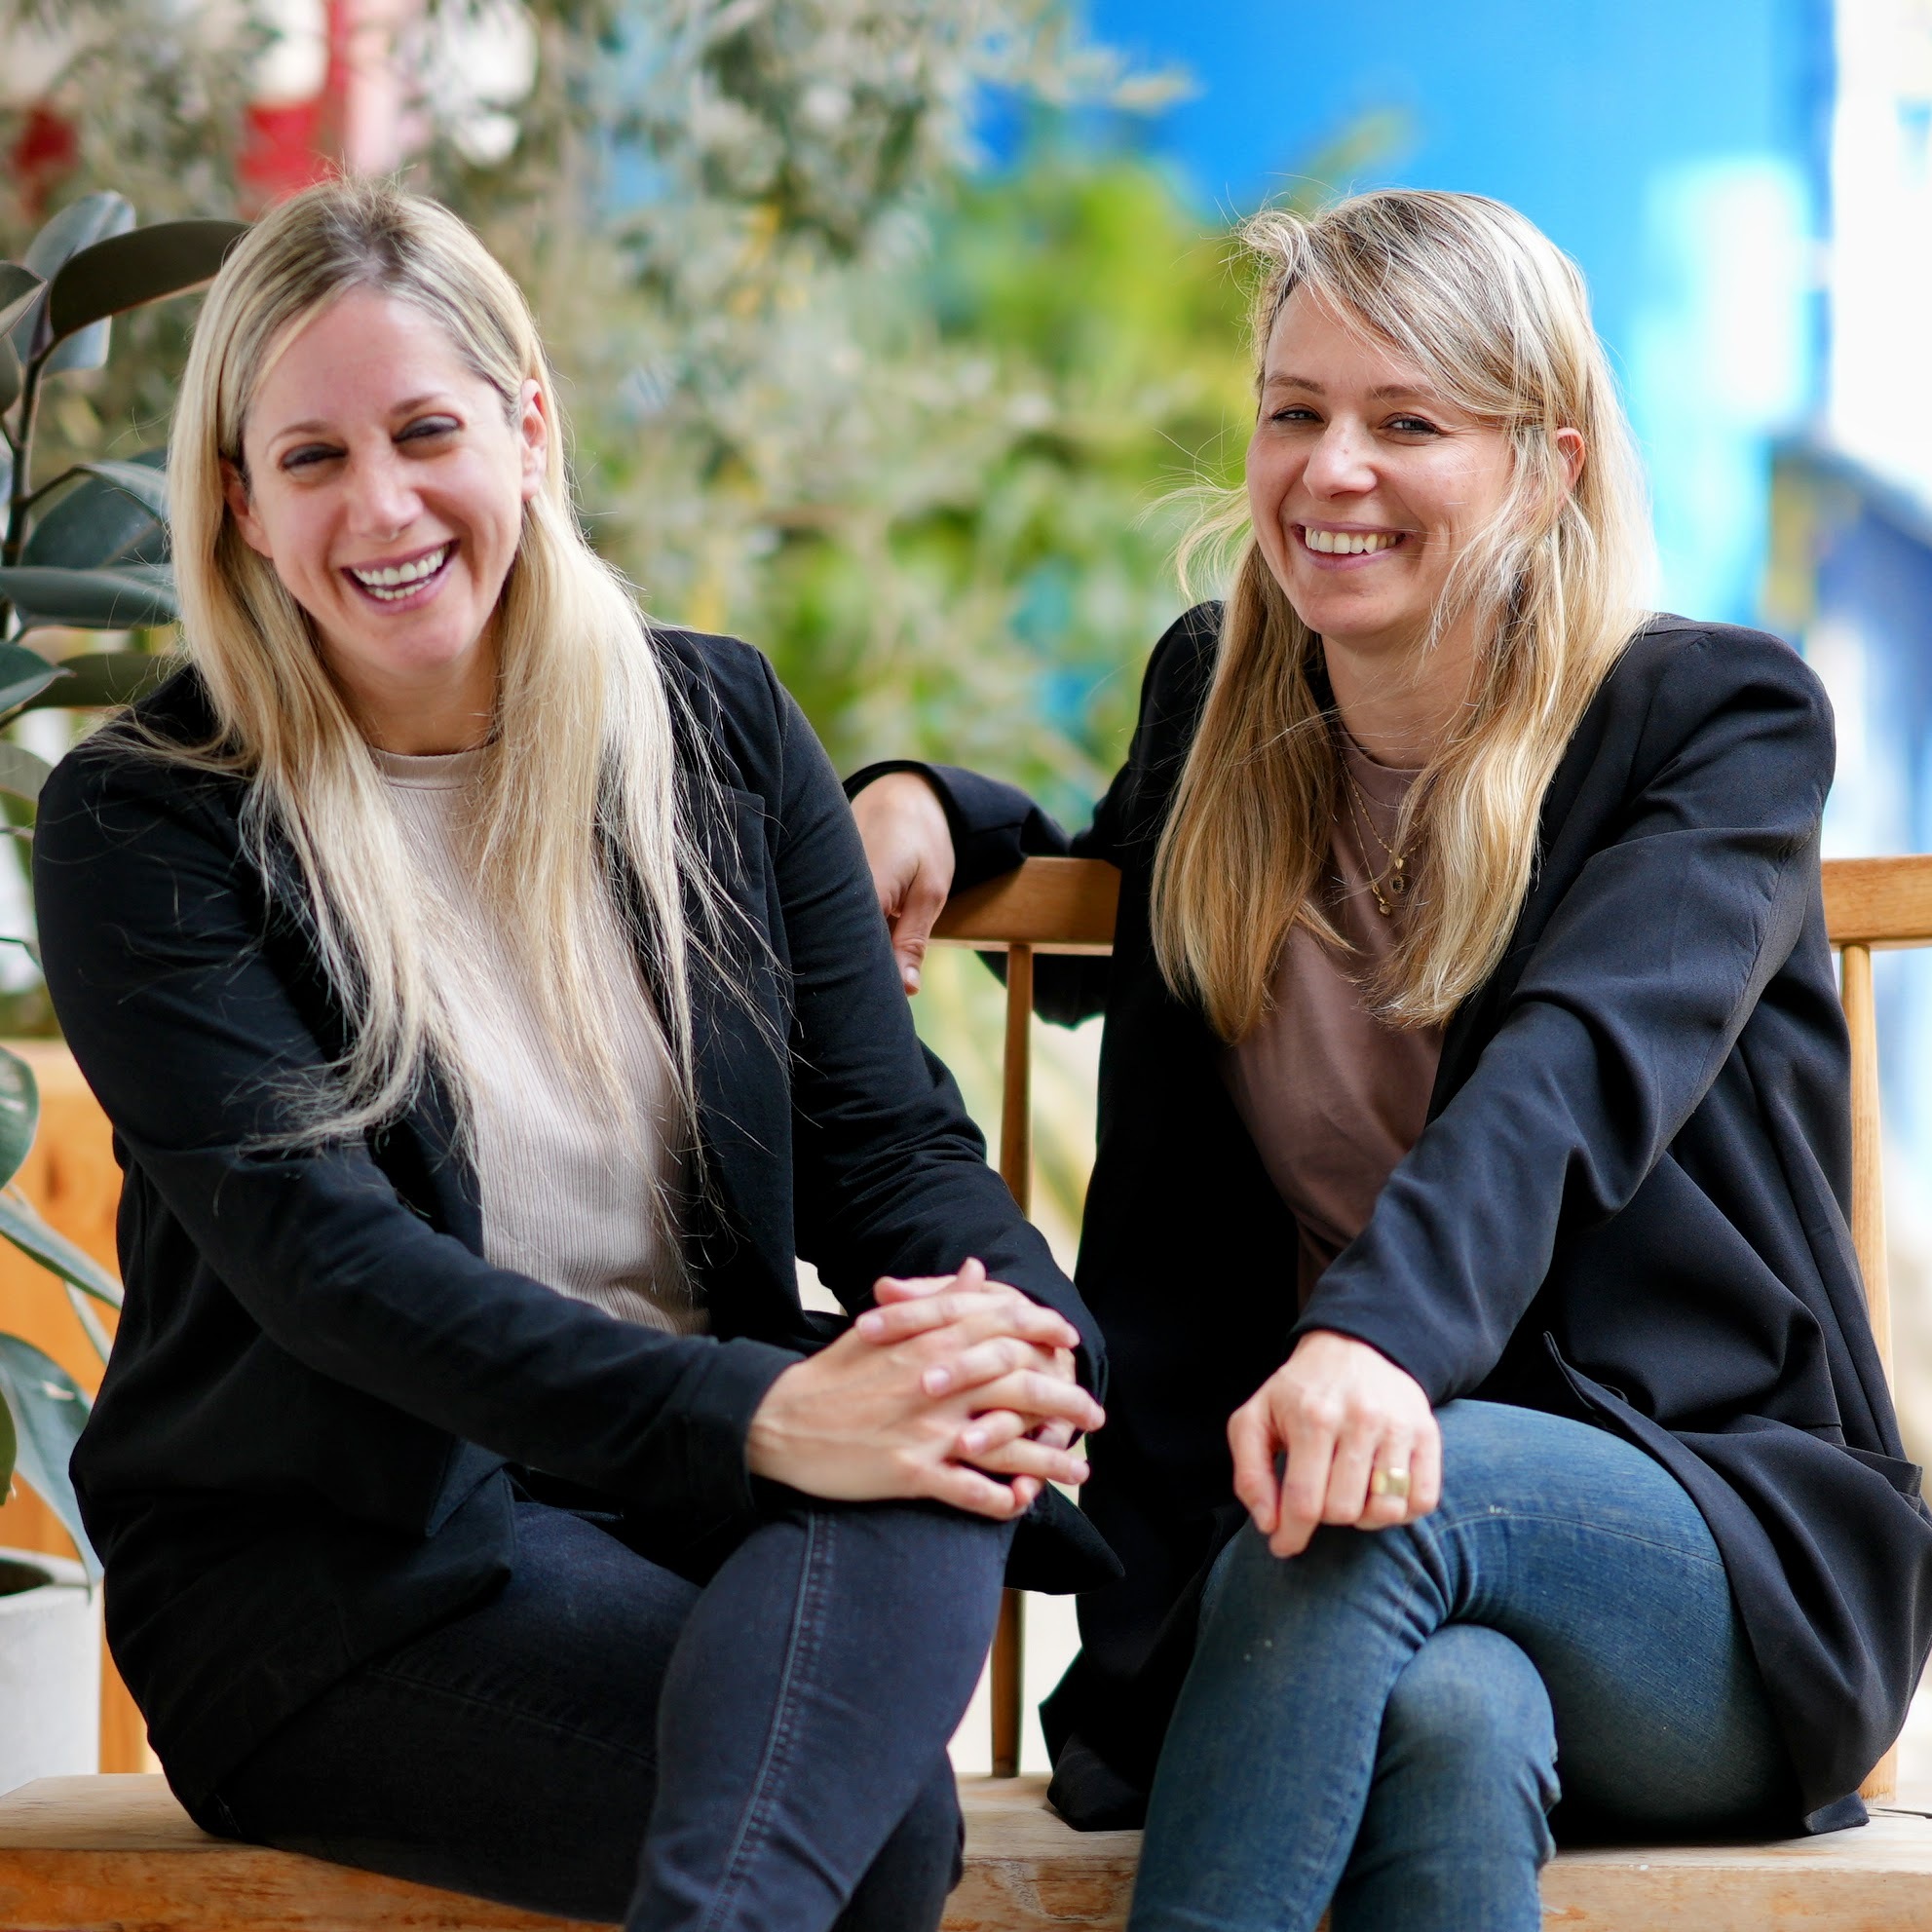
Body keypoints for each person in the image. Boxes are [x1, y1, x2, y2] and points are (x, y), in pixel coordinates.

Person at [33, 176, 1116, 1932]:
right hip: (346, 1574)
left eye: (426, 430)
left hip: (691, 1491)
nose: (381, 505)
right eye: (310, 458)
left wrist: (1019, 1345)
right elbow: (334, 1273)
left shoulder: (714, 729)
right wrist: (774, 1408)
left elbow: (889, 1152)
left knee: (945, 1433)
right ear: (238, 502)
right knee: (882, 1839)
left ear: (529, 429)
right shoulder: (152, 820)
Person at [849, 188, 1932, 1931]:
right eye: (1296, 412)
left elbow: (1576, 1073)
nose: (1329, 469)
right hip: (1338, 1557)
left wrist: (1370, 1344)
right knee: (1444, 1722)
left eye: (1407, 422)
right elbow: (1133, 886)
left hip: (1700, 1542)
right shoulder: (1225, 706)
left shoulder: (1713, 727)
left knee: (1369, 1497)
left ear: (1548, 462)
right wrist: (933, 810)